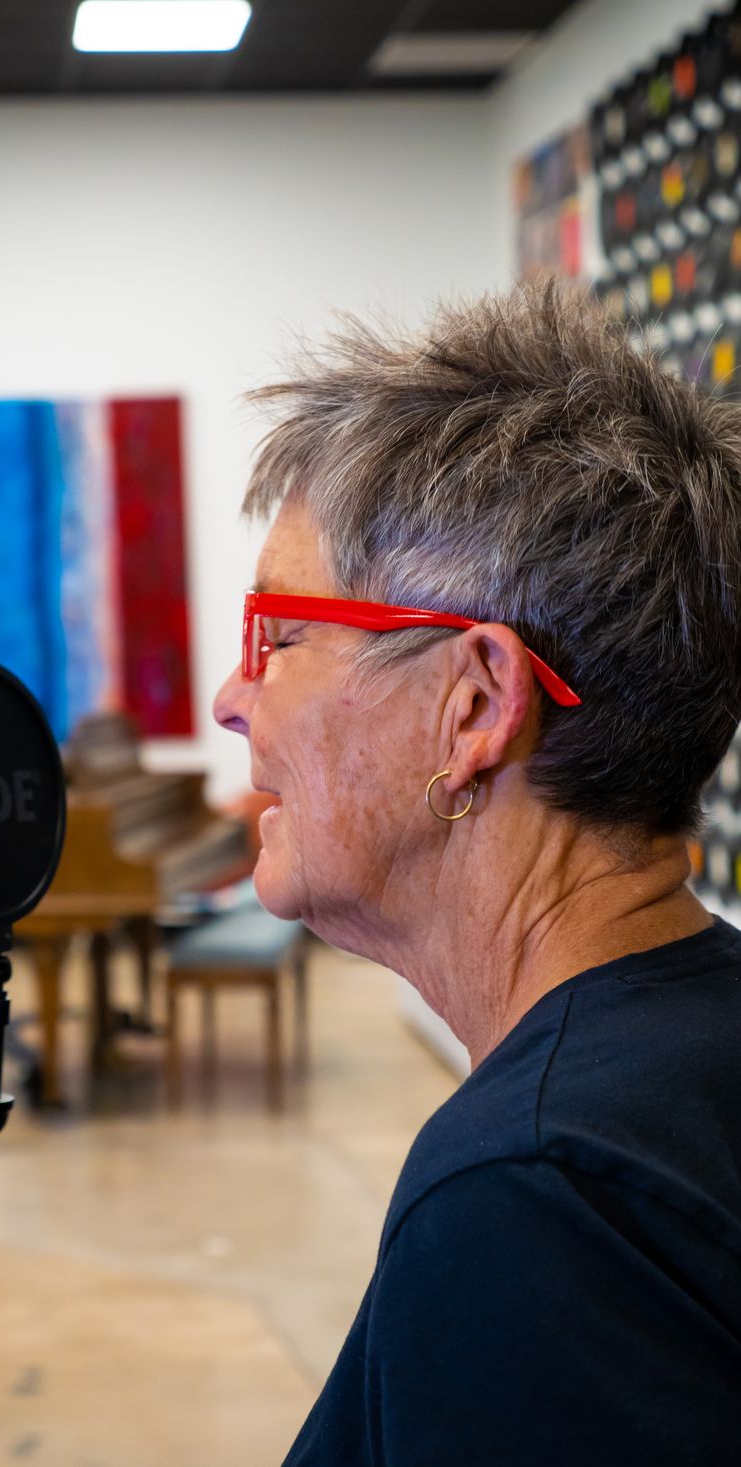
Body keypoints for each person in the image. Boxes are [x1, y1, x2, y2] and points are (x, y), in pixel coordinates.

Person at [213, 281, 741, 1465]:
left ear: (473, 707)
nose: (231, 700)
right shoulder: (690, 1052)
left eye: (279, 637)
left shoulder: (541, 1198)